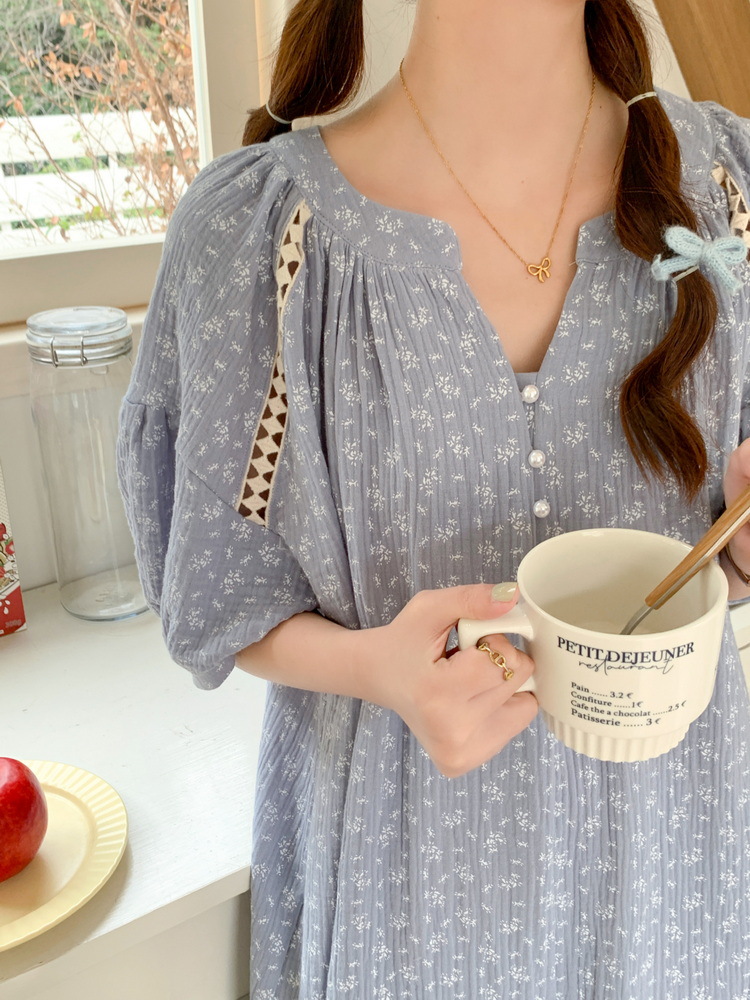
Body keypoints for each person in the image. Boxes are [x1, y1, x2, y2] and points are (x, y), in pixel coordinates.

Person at [117, 0, 750, 995]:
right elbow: (219, 591)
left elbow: (722, 542)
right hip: (407, 878)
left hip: (679, 864)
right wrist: (377, 669)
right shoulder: (260, 234)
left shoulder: (728, 193)